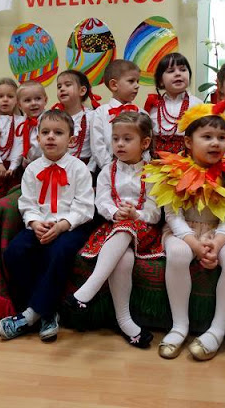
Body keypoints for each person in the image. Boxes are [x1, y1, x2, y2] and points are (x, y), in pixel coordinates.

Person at [145, 99, 225, 360]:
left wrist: (218, 242)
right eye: (207, 137)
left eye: (222, 138)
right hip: (182, 232)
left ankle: (216, 331)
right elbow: (172, 216)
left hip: (217, 232)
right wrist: (193, 243)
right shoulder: (173, 171)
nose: (216, 143)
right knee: (178, 253)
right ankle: (179, 326)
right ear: (188, 142)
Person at [0, 110, 94, 342]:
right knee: (15, 251)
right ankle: (47, 313)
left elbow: (84, 206)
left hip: (70, 227)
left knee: (58, 252)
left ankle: (30, 316)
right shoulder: (32, 169)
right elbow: (27, 202)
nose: (51, 137)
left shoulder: (79, 168)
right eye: (45, 132)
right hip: (39, 225)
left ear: (71, 140)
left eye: (58, 133)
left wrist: (62, 226)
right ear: (37, 138)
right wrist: (35, 222)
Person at [69, 112, 161, 348]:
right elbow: (101, 201)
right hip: (114, 229)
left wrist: (136, 214)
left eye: (127, 139)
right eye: (115, 138)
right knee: (124, 258)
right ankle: (125, 321)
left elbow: (155, 211)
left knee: (127, 227)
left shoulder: (153, 173)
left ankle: (85, 292)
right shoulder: (107, 170)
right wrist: (114, 212)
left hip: (145, 231)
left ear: (145, 143)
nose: (119, 144)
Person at [144, 53, 201, 156]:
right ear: (161, 81)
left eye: (183, 70)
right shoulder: (153, 106)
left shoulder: (198, 105)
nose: (178, 74)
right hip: (156, 161)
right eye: (171, 71)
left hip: (187, 160)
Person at [91, 59, 145, 168]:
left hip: (138, 170)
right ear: (114, 85)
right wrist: (110, 169)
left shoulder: (142, 113)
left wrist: (140, 166)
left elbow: (146, 145)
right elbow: (97, 146)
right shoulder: (100, 113)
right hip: (108, 170)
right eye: (131, 81)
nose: (137, 86)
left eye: (137, 81)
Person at [52, 69, 96, 172]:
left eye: (67, 85)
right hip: (58, 167)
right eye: (59, 86)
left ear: (82, 91)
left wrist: (89, 171)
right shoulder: (54, 117)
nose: (62, 89)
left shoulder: (92, 116)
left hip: (84, 168)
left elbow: (96, 148)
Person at [0, 78, 23, 202]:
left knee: (13, 203)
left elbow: (20, 145)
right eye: (0, 96)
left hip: (14, 169)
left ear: (17, 99)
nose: (5, 99)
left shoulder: (22, 121)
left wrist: (13, 167)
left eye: (10, 96)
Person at [15, 81, 47, 165]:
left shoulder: (50, 121)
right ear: (19, 105)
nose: (33, 103)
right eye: (27, 100)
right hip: (27, 165)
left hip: (46, 164)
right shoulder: (21, 123)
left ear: (45, 100)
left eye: (38, 98)